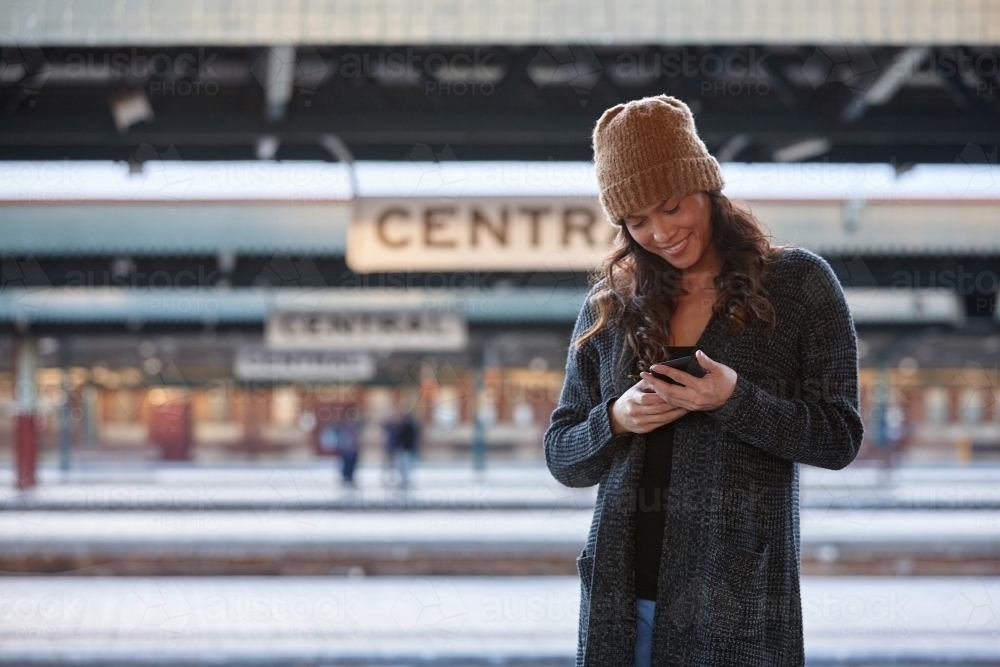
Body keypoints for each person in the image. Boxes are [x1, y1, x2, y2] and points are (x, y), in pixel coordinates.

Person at [543, 95, 864, 667]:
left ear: (707, 188)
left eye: (671, 206)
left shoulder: (798, 285)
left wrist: (736, 399)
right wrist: (616, 419)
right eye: (636, 221)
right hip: (622, 601)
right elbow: (564, 457)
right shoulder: (611, 306)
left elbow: (839, 437)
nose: (660, 232)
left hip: (737, 601)